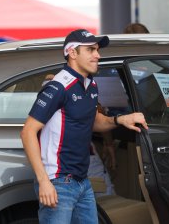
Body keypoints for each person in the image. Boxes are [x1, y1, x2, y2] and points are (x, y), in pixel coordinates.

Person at [20, 29, 148, 223]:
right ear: (72, 53)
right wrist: (44, 181)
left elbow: (93, 120)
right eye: (90, 50)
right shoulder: (57, 86)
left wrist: (119, 120)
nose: (98, 55)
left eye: (97, 50)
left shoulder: (91, 85)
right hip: (58, 181)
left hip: (82, 181)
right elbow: (28, 131)